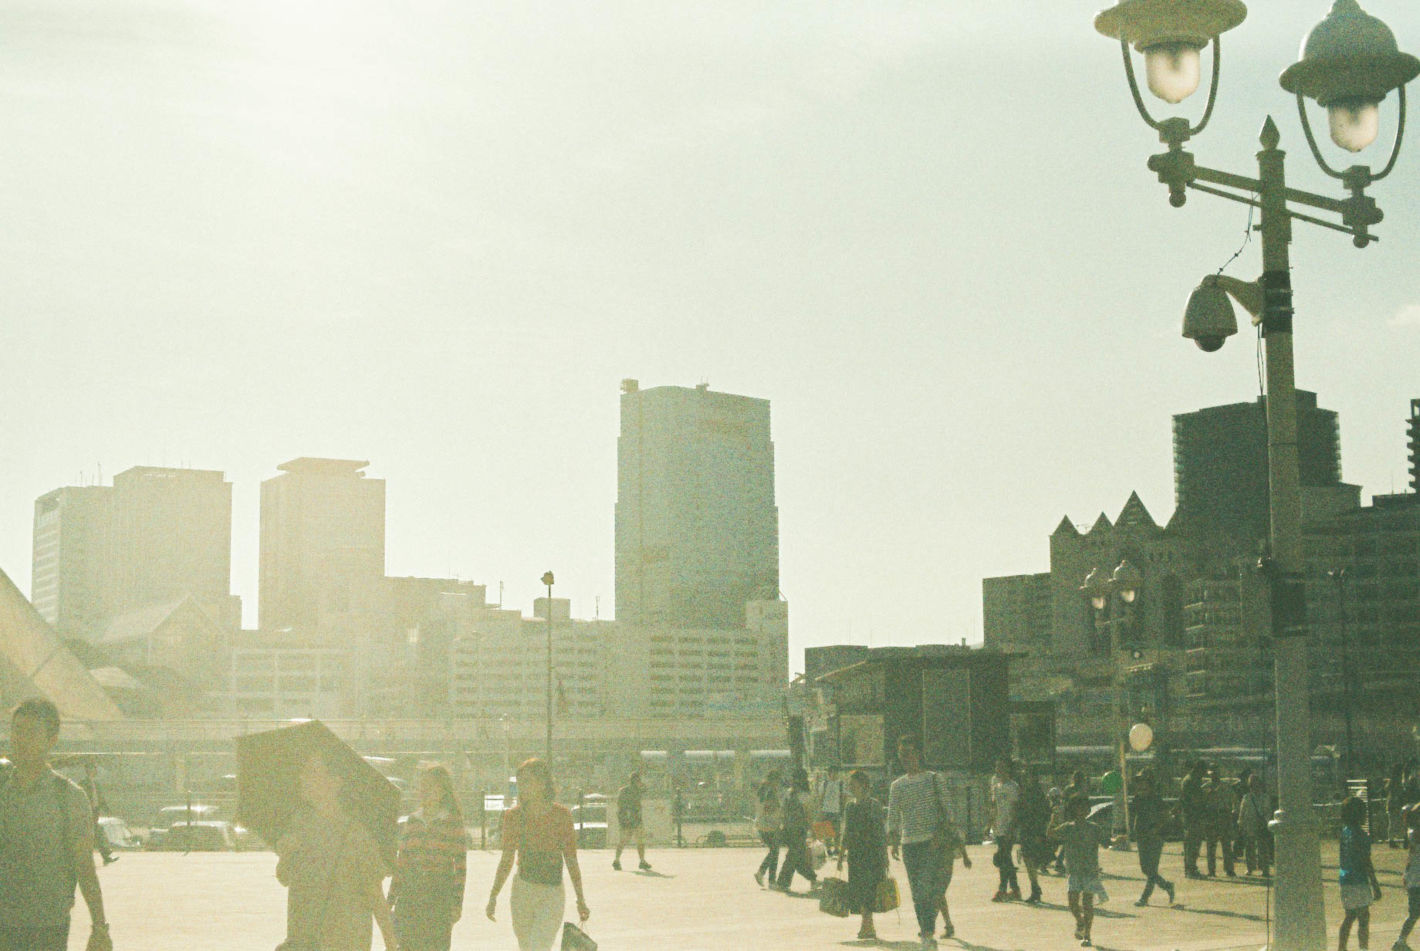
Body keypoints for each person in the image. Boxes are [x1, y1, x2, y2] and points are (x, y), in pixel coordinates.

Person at [0, 698, 112, 951]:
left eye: (31, 732)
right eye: (17, 730)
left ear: (51, 740)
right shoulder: (2, 790)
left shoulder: (68, 797)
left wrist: (99, 927)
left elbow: (84, 867)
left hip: (46, 929)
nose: (20, 739)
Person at [275, 750, 398, 951]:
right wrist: (286, 854)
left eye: (311, 772)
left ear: (335, 782)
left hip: (344, 941)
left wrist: (391, 945)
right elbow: (284, 877)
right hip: (305, 940)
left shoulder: (356, 835)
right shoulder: (301, 826)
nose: (302, 778)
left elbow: (375, 894)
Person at [486, 758, 589, 951]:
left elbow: (571, 859)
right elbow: (507, 859)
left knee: (539, 946)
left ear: (543, 784)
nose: (522, 787)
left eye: (527, 781)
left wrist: (580, 898)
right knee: (526, 947)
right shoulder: (513, 817)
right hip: (523, 890)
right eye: (520, 782)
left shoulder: (562, 815)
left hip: (552, 891)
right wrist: (494, 895)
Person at [389, 764, 468, 951]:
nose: (424, 791)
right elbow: (403, 862)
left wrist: (457, 903)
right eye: (422, 786)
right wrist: (390, 899)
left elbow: (460, 868)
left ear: (442, 791)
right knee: (407, 945)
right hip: (411, 894)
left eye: (430, 786)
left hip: (438, 895)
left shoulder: (452, 822)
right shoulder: (413, 820)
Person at [888, 734, 950, 950]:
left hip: (931, 843)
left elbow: (948, 811)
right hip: (909, 845)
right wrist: (894, 841)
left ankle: (927, 930)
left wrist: (941, 836)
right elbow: (893, 816)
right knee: (917, 892)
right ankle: (926, 932)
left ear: (919, 755)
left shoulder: (934, 778)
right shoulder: (897, 785)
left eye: (909, 753)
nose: (905, 758)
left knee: (927, 889)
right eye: (901, 754)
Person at [1050, 795, 1107, 948]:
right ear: (1073, 810)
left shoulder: (1094, 828)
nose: (1081, 810)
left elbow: (1107, 843)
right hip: (1074, 871)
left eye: (1084, 807)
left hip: (1090, 871)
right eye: (1078, 807)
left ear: (1088, 810)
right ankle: (1080, 922)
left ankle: (1087, 935)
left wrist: (1118, 840)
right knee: (1072, 903)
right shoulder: (1068, 827)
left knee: (1088, 904)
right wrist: (1052, 818)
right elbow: (1051, 834)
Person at [837, 770, 887, 941]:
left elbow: (880, 833)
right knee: (858, 890)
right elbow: (846, 832)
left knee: (869, 890)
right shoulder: (850, 806)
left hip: (872, 855)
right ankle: (868, 925)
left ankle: (867, 925)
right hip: (855, 856)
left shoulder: (874, 805)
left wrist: (884, 856)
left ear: (864, 786)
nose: (850, 787)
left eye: (853, 784)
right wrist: (840, 855)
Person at [1338, 795, 1382, 951]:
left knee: (1349, 916)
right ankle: (1363, 948)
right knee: (1364, 918)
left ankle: (1341, 948)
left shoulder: (1344, 833)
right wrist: (1375, 885)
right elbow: (1366, 861)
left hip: (1344, 879)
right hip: (1359, 880)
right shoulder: (1362, 835)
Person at [1131, 770, 1176, 906]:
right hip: (1141, 835)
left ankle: (1144, 898)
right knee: (1145, 868)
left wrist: (1157, 827)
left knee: (1151, 869)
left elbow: (1166, 816)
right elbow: (1136, 816)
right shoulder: (1137, 799)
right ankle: (1167, 886)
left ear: (1150, 784)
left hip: (1156, 836)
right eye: (1139, 783)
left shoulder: (1156, 799)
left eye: (1143, 783)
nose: (1140, 786)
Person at [773, 768, 818, 892]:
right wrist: (813, 830)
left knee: (794, 856)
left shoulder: (789, 793)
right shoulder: (804, 795)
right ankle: (812, 879)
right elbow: (808, 815)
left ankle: (783, 882)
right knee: (795, 857)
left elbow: (783, 811)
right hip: (798, 830)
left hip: (789, 829)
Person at [988, 758, 1021, 902]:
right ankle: (1015, 889)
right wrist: (990, 824)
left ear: (1008, 769)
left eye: (1001, 767)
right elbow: (994, 807)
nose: (998, 770)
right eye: (997, 767)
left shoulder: (1013, 786)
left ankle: (1002, 889)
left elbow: (1015, 809)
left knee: (1004, 858)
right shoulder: (997, 786)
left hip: (1008, 828)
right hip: (999, 828)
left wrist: (1011, 828)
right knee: (1006, 859)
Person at [1016, 770, 1051, 904]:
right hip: (1026, 830)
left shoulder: (1037, 794)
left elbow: (1044, 814)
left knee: (1032, 861)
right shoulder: (1024, 793)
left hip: (1034, 831)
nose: (1025, 779)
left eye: (1028, 776)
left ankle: (1035, 888)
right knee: (1028, 860)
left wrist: (1039, 832)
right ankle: (1035, 888)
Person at [1393, 803, 1419, 951]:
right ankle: (1400, 941)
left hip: (1414, 877)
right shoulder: (1415, 833)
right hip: (1416, 879)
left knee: (1414, 913)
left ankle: (1400, 941)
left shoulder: (1413, 832)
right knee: (1414, 913)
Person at [80, 762, 117, 866]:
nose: (95, 771)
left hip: (95, 812)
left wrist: (107, 809)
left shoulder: (96, 783)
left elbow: (100, 799)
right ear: (88, 770)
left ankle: (105, 855)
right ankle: (106, 854)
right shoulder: (82, 783)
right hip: (86, 813)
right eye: (93, 769)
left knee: (94, 834)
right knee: (96, 833)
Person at [612, 772, 650, 871]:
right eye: (638, 780)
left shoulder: (625, 790)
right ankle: (640, 861)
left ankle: (617, 860)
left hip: (630, 819)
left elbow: (619, 805)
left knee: (626, 841)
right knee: (637, 841)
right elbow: (646, 789)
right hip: (632, 819)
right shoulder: (632, 791)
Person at [1237, 774, 1273, 877]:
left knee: (1262, 848)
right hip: (1250, 825)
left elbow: (1268, 811)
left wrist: (1266, 822)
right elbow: (1242, 811)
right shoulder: (1247, 797)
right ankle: (1250, 868)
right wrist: (1241, 822)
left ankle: (1264, 869)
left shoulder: (1264, 797)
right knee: (1249, 848)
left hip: (1260, 825)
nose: (1255, 786)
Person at [1203, 767, 1237, 877]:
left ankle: (1229, 869)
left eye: (1215, 773)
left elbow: (1234, 799)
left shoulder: (1226, 786)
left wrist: (1233, 811)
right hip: (1211, 816)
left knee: (1226, 844)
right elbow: (1201, 802)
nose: (1214, 776)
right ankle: (1211, 870)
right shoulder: (1205, 787)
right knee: (1211, 845)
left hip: (1224, 815)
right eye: (1212, 774)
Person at [752, 778, 783, 887]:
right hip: (770, 826)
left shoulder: (761, 793)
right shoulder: (770, 793)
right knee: (774, 852)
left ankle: (769, 878)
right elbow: (770, 809)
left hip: (761, 826)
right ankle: (765, 875)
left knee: (774, 851)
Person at [1179, 762, 1207, 879]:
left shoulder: (1190, 780)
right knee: (1192, 844)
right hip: (1192, 816)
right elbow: (1194, 799)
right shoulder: (1190, 781)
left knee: (1193, 843)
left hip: (1192, 816)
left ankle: (1191, 868)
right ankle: (1190, 869)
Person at [819, 768, 845, 856]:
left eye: (836, 773)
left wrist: (842, 808)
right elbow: (821, 796)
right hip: (826, 810)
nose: (835, 775)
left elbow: (843, 797)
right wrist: (820, 809)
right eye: (833, 773)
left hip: (836, 810)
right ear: (829, 774)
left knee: (837, 832)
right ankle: (829, 849)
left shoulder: (840, 784)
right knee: (827, 832)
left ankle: (837, 849)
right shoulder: (824, 784)